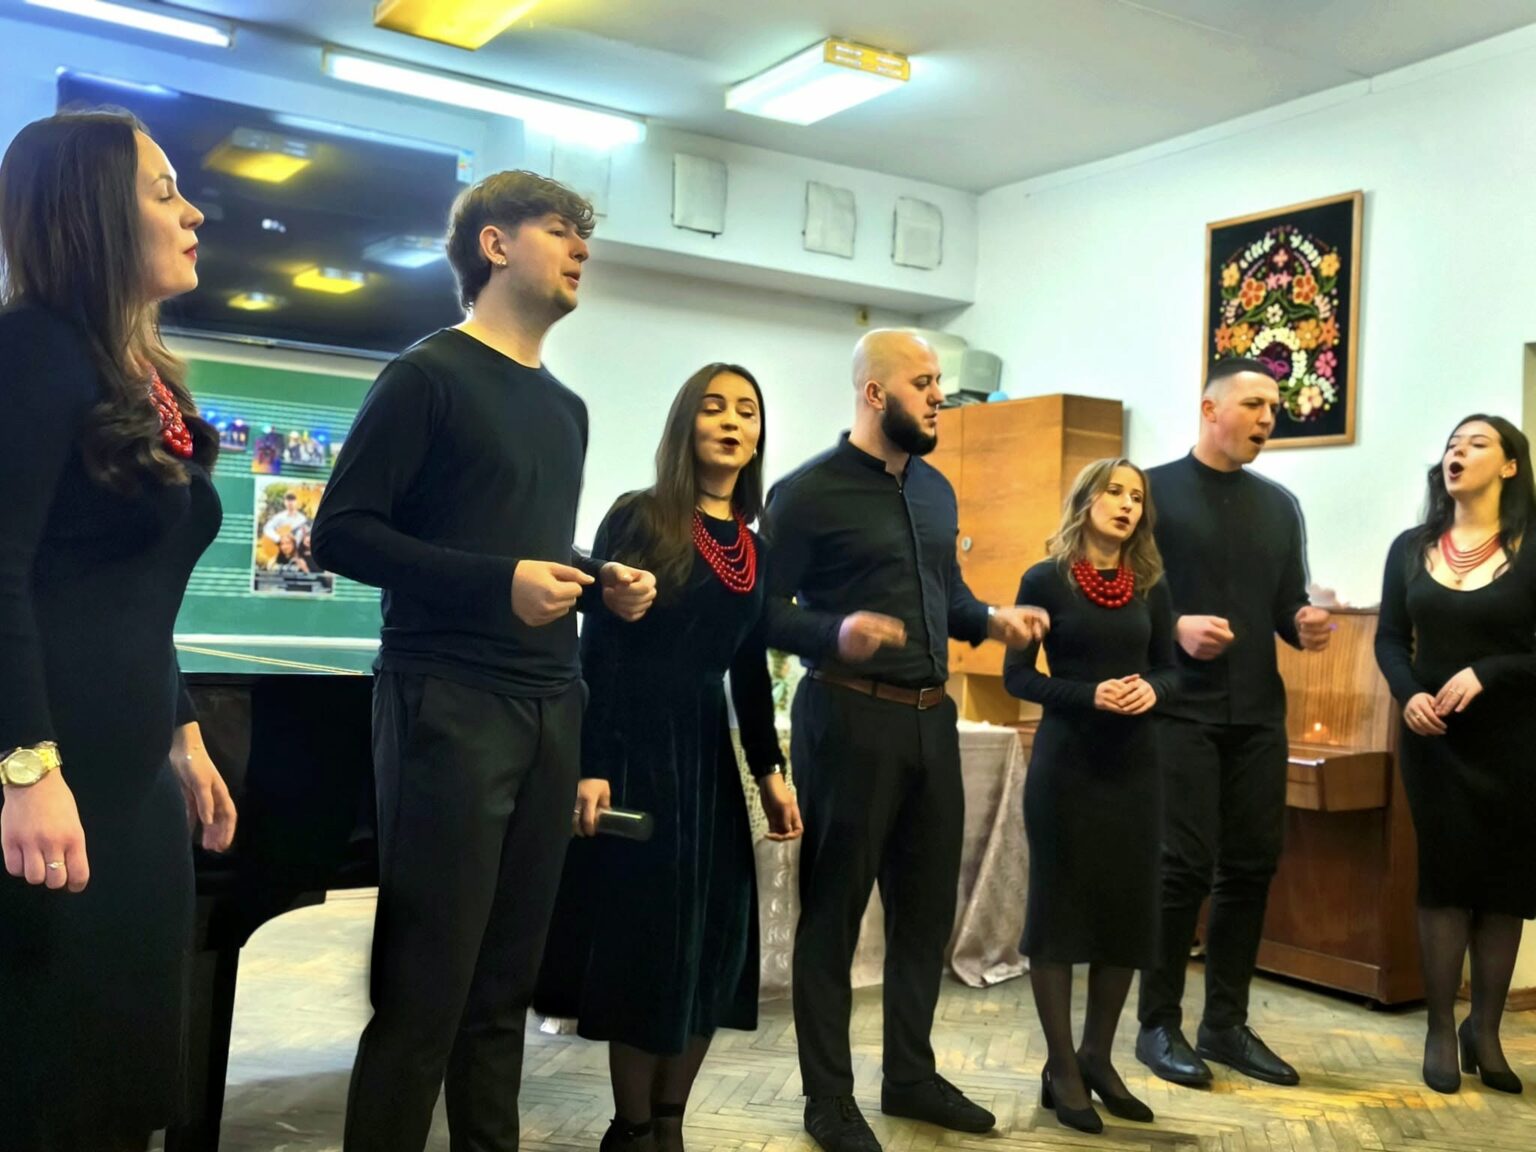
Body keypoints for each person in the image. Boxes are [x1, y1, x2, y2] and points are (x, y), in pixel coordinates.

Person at [310, 170, 657, 1152]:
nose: (581, 247)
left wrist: (597, 573)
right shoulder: (426, 376)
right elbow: (340, 533)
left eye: (584, 233)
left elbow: (513, 539)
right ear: (494, 246)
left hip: (550, 703)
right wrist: (498, 582)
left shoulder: (567, 408)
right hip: (448, 704)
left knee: (503, 994)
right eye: (559, 228)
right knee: (425, 995)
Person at [0, 110, 237, 1152]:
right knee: (43, 1085)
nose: (192, 214)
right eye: (162, 191)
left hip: (129, 785)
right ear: (94, 212)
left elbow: (133, 589)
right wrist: (24, 767)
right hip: (46, 781)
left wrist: (183, 733)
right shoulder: (31, 349)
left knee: (120, 1081)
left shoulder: (139, 377)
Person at [762, 329, 1049, 1152]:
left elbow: (946, 597)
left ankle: (910, 1078)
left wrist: (991, 620)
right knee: (834, 917)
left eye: (939, 384)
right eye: (923, 383)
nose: (938, 397)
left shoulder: (935, 491)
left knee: (925, 915)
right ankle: (828, 1099)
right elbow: (762, 612)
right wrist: (834, 632)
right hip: (847, 717)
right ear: (874, 393)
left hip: (932, 718)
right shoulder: (805, 493)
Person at [536, 363, 803, 1152]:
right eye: (714, 407)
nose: (732, 421)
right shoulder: (640, 516)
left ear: (758, 435)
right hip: (637, 750)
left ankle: (670, 1125)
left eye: (746, 411)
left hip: (708, 760)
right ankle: (630, 1128)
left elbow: (748, 667)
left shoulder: (755, 548)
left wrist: (770, 771)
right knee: (646, 947)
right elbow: (600, 647)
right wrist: (591, 763)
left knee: (713, 945)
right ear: (687, 424)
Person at [1135, 356, 1332, 1089]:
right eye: (1253, 404)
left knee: (1250, 866)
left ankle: (1224, 1024)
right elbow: (1114, 597)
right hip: (1176, 708)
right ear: (1210, 409)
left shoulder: (1280, 506)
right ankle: (1157, 1024)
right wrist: (1175, 626)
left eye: (1274, 408)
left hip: (1256, 713)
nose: (1266, 419)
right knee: (1181, 867)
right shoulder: (1150, 493)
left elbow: (1286, 605)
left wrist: (1304, 623)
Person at [1004, 458, 1176, 1133]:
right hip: (1067, 766)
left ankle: (1097, 1057)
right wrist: (1088, 694)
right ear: (1085, 499)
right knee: (1058, 915)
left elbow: (1173, 671)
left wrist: (1153, 689)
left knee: (1125, 915)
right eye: (1114, 491)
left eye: (1137, 496)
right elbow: (1019, 678)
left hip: (1136, 767)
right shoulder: (1044, 579)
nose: (1127, 504)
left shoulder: (1151, 582)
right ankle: (1062, 1067)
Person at [1374, 414, 1536, 1095]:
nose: (1457, 452)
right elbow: (1389, 637)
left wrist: (1489, 672)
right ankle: (1441, 1030)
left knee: (1503, 888)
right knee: (1444, 880)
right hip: (1434, 739)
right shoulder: (1411, 548)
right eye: (1451, 444)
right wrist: (1409, 693)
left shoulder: (1532, 545)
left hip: (1516, 742)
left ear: (1509, 465)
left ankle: (1486, 1031)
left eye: (1476, 444)